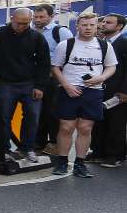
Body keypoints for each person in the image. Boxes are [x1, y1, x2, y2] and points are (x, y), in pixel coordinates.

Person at [0, 7, 51, 164]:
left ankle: (27, 148)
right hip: (4, 83)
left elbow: (45, 64)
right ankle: (3, 149)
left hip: (30, 83)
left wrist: (40, 86)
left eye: (26, 23)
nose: (22, 26)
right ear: (12, 19)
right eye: (19, 23)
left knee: (32, 117)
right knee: (3, 118)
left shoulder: (37, 37)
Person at [50, 13, 117, 178]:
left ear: (97, 27)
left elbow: (111, 67)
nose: (88, 28)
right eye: (84, 25)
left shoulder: (105, 46)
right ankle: (62, 161)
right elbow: (55, 67)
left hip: (93, 91)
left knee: (85, 128)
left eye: (92, 25)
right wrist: (66, 85)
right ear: (77, 26)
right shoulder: (66, 45)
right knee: (66, 127)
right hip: (69, 89)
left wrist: (101, 78)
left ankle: (80, 163)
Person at [34, 3, 73, 154]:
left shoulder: (61, 32)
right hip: (36, 78)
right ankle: (38, 143)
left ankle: (55, 143)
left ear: (51, 16)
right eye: (36, 17)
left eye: (41, 17)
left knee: (53, 111)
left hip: (54, 78)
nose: (38, 20)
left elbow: (70, 54)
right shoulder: (31, 31)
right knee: (38, 112)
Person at [96, 14, 127, 168]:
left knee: (116, 124)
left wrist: (125, 92)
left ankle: (116, 155)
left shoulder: (124, 42)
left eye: (108, 22)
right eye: (103, 21)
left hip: (119, 93)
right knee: (100, 122)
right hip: (101, 90)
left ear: (119, 26)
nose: (103, 24)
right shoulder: (102, 43)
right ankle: (99, 152)